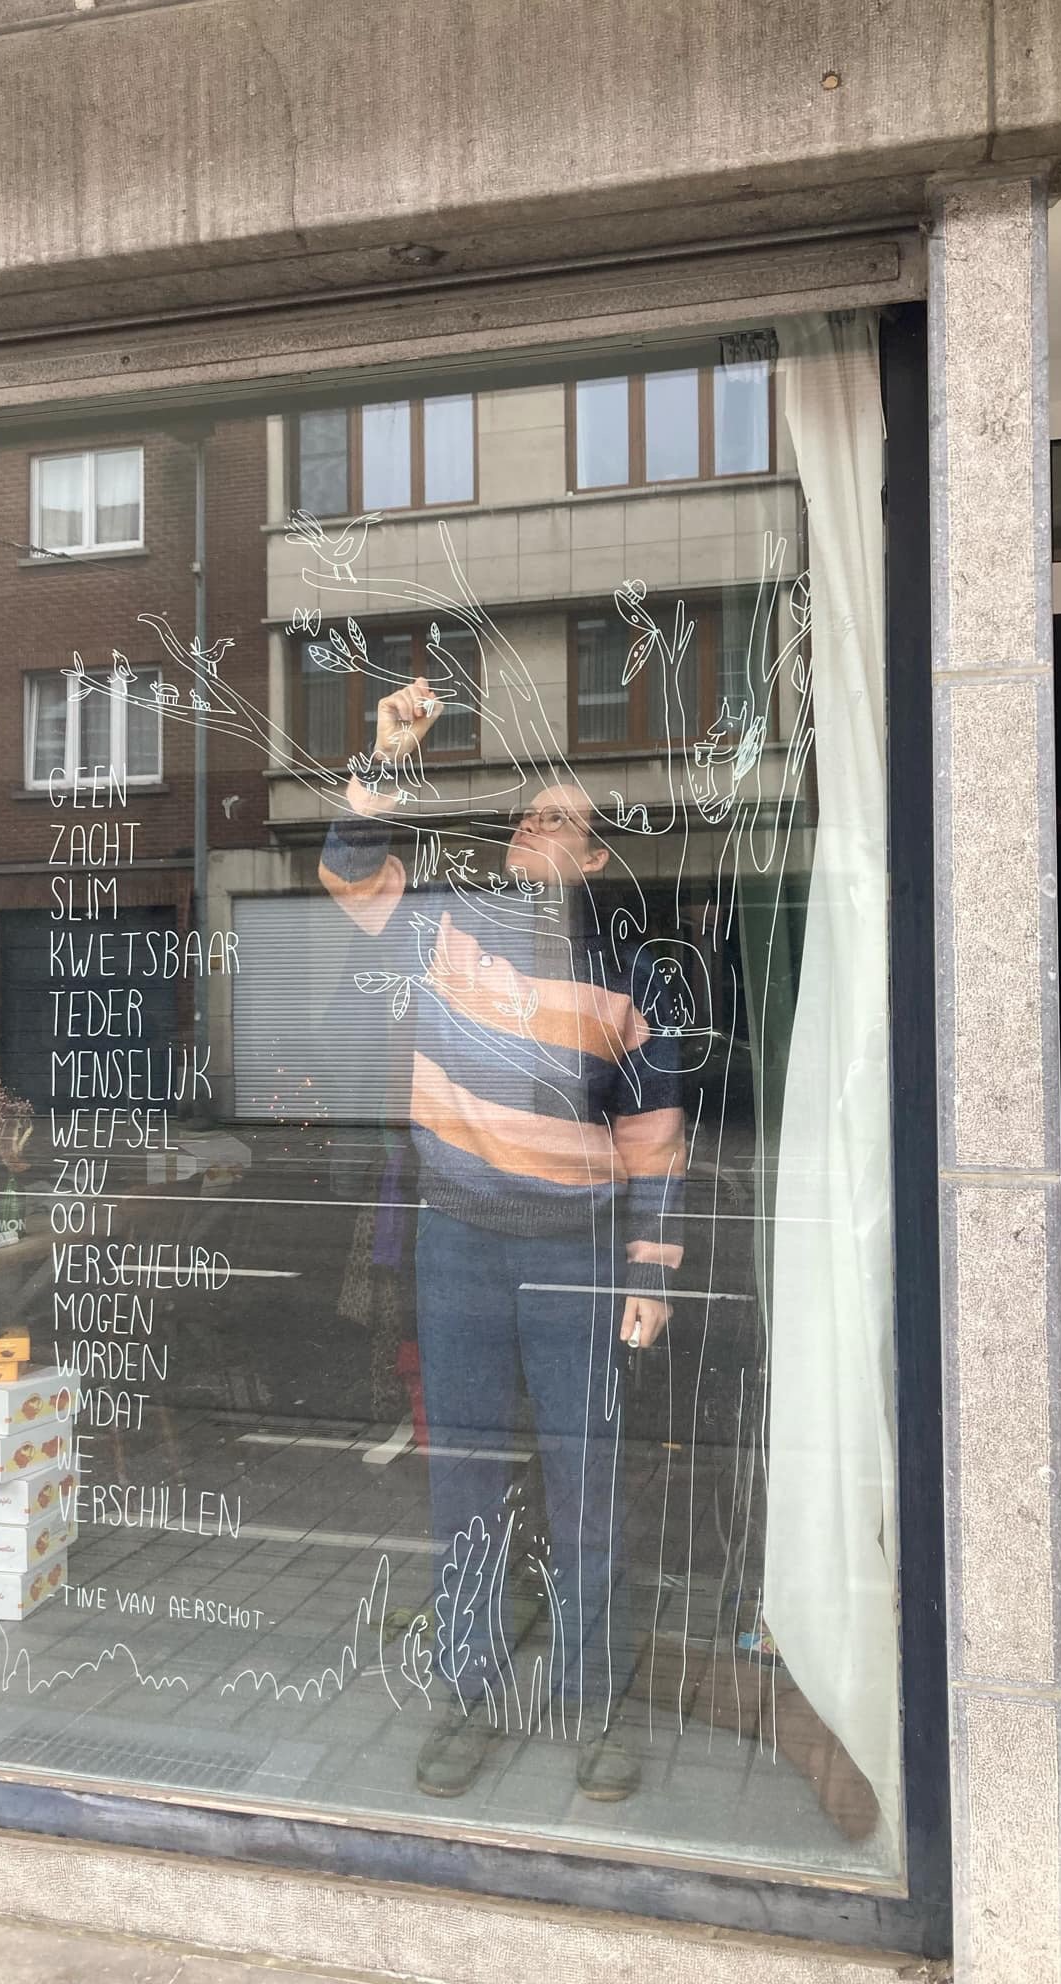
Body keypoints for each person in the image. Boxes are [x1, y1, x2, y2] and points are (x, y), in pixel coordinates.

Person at [319, 675, 687, 1803]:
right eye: (529, 813)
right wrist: (387, 753)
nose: (533, 826)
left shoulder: (631, 977)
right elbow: (348, 876)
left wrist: (650, 1273)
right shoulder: (446, 927)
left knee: (588, 1482)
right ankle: (467, 1694)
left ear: (593, 858)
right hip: (460, 1245)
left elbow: (655, 1142)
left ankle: (594, 1703)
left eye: (559, 820)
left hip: (578, 1257)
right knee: (465, 1479)